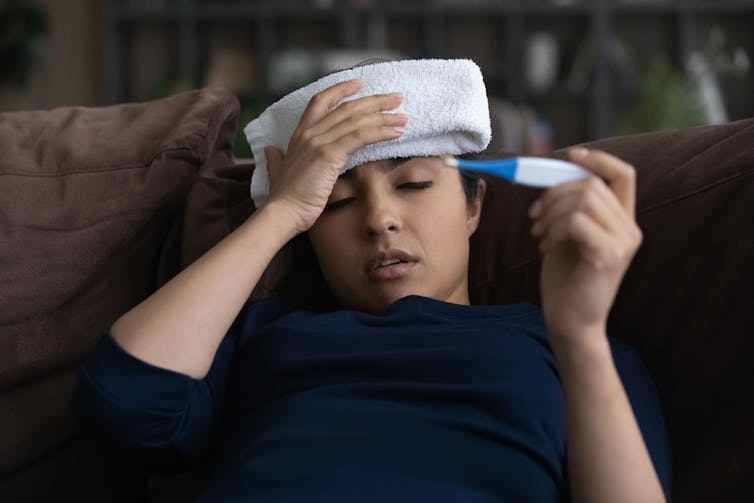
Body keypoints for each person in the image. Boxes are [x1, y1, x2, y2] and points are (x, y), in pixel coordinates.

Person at [73, 61, 672, 502]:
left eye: (412, 184)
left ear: (474, 208)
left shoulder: (572, 347)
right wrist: (284, 211)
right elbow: (124, 400)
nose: (379, 218)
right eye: (335, 205)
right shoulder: (265, 335)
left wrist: (581, 335)